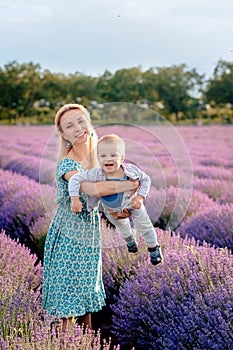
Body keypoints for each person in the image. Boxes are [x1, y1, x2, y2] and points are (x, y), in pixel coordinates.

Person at [42, 104, 139, 333]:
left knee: (85, 301)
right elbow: (92, 190)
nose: (77, 128)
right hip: (68, 237)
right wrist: (133, 183)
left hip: (89, 238)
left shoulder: (97, 161)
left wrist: (120, 212)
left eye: (80, 121)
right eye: (69, 126)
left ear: (89, 122)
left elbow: (103, 201)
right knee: (66, 303)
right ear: (63, 135)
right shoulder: (67, 164)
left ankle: (86, 344)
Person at [68, 134, 163, 266]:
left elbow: (146, 179)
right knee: (122, 227)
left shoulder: (131, 171)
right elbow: (75, 178)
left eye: (113, 155)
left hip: (132, 205)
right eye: (103, 156)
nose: (108, 159)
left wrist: (140, 197)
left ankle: (154, 249)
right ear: (98, 158)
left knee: (144, 225)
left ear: (122, 158)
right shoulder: (96, 173)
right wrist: (75, 199)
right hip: (111, 210)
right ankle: (130, 241)